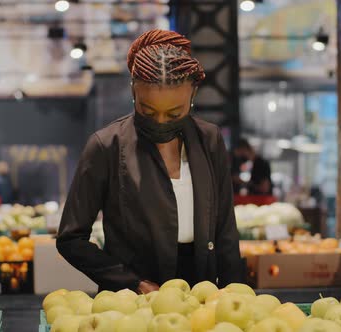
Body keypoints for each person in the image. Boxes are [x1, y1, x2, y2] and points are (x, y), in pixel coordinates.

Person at [57, 29, 243, 293]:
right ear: (133, 90)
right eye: (148, 110)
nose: (160, 121)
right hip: (132, 300)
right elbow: (71, 239)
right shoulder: (106, 146)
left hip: (203, 294)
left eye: (175, 113)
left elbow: (225, 231)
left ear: (193, 94)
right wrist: (132, 283)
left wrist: (236, 296)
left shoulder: (209, 139)